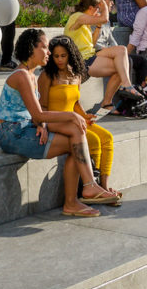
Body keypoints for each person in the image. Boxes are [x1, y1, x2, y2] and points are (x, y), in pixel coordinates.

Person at [0, 28, 121, 217]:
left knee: (76, 139)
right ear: (32, 48)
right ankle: (86, 189)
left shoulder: (30, 74)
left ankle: (78, 197)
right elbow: (39, 113)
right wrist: (70, 116)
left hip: (25, 127)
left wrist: (41, 124)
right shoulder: (21, 76)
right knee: (74, 129)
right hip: (12, 134)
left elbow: (32, 113)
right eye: (45, 47)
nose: (48, 52)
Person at [38, 36, 121, 196]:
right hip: (57, 122)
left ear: (71, 54)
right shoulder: (47, 76)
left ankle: (104, 186)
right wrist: (42, 125)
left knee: (107, 138)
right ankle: (92, 188)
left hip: (74, 119)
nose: (60, 60)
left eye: (63, 56)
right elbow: (43, 106)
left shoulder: (75, 75)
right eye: (56, 56)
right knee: (94, 141)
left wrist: (85, 116)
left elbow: (75, 102)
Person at [64, 0, 146, 115]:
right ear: (91, 7)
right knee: (121, 65)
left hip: (90, 54)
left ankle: (108, 102)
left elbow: (92, 42)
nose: (99, 10)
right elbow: (105, 18)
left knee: (121, 54)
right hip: (82, 60)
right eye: (97, 8)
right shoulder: (78, 16)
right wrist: (105, 7)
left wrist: (98, 26)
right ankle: (125, 87)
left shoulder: (85, 22)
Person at [92, 0, 147, 88]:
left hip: (111, 53)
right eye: (110, 0)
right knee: (128, 61)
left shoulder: (107, 20)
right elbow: (94, 44)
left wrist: (119, 53)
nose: (112, 3)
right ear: (101, 1)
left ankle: (141, 89)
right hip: (98, 55)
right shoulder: (91, 19)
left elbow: (111, 40)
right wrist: (114, 52)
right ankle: (126, 94)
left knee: (142, 60)